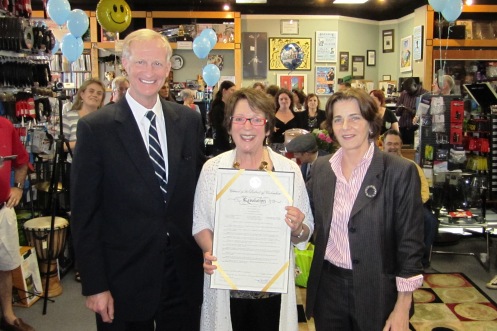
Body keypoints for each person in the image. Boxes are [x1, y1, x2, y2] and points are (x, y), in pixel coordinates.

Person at [70, 29, 205, 331]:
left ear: (168, 69)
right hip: (122, 280)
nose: (149, 72)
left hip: (182, 277)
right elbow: (84, 215)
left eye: (158, 64)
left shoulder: (188, 122)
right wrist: (95, 285)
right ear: (126, 65)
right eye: (142, 62)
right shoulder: (96, 129)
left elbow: (198, 192)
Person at [192, 88, 314, 331]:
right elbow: (201, 223)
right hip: (227, 288)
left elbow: (305, 234)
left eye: (257, 119)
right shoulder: (212, 169)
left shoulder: (288, 170)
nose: (247, 126)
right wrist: (210, 251)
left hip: (272, 290)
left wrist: (298, 227)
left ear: (268, 127)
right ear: (229, 125)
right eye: (239, 118)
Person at [305, 88, 424, 331]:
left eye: (355, 117)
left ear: (371, 124)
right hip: (328, 290)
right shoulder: (321, 169)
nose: (345, 126)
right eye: (338, 119)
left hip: (378, 291)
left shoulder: (399, 172)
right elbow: (306, 217)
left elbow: (410, 243)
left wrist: (403, 306)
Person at [382, 129, 437, 268]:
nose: (393, 147)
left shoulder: (411, 166)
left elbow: (424, 190)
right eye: (389, 144)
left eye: (396, 144)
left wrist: (414, 205)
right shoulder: (376, 166)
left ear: (401, 145)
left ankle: (420, 261)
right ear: (383, 145)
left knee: (429, 221)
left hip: (411, 206)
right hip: (383, 206)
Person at [0, 118, 34, 331]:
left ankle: (8, 314)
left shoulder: (5, 125)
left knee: (5, 266)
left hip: (3, 211)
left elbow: (21, 160)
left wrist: (19, 187)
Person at [62, 78, 106, 158]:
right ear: (82, 94)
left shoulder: (106, 119)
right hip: (75, 166)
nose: (95, 95)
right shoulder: (68, 117)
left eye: (99, 93)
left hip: (101, 166)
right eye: (91, 91)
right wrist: (83, 142)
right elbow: (60, 146)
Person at [270, 88, 305, 152]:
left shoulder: (297, 116)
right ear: (277, 101)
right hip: (275, 148)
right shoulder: (271, 115)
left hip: (293, 148)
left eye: (286, 99)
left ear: (290, 100)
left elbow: (302, 132)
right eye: (281, 99)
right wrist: (270, 128)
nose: (283, 101)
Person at [396, 77, 428, 145]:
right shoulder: (404, 93)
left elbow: (423, 114)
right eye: (406, 91)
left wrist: (408, 109)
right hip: (403, 128)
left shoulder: (425, 95)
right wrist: (400, 109)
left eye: (409, 91)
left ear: (415, 85)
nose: (408, 93)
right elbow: (397, 112)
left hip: (416, 130)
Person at [208, 80, 236, 156]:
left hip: (228, 144)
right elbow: (220, 128)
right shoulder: (218, 108)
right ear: (224, 91)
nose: (234, 93)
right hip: (221, 146)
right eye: (232, 90)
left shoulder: (229, 107)